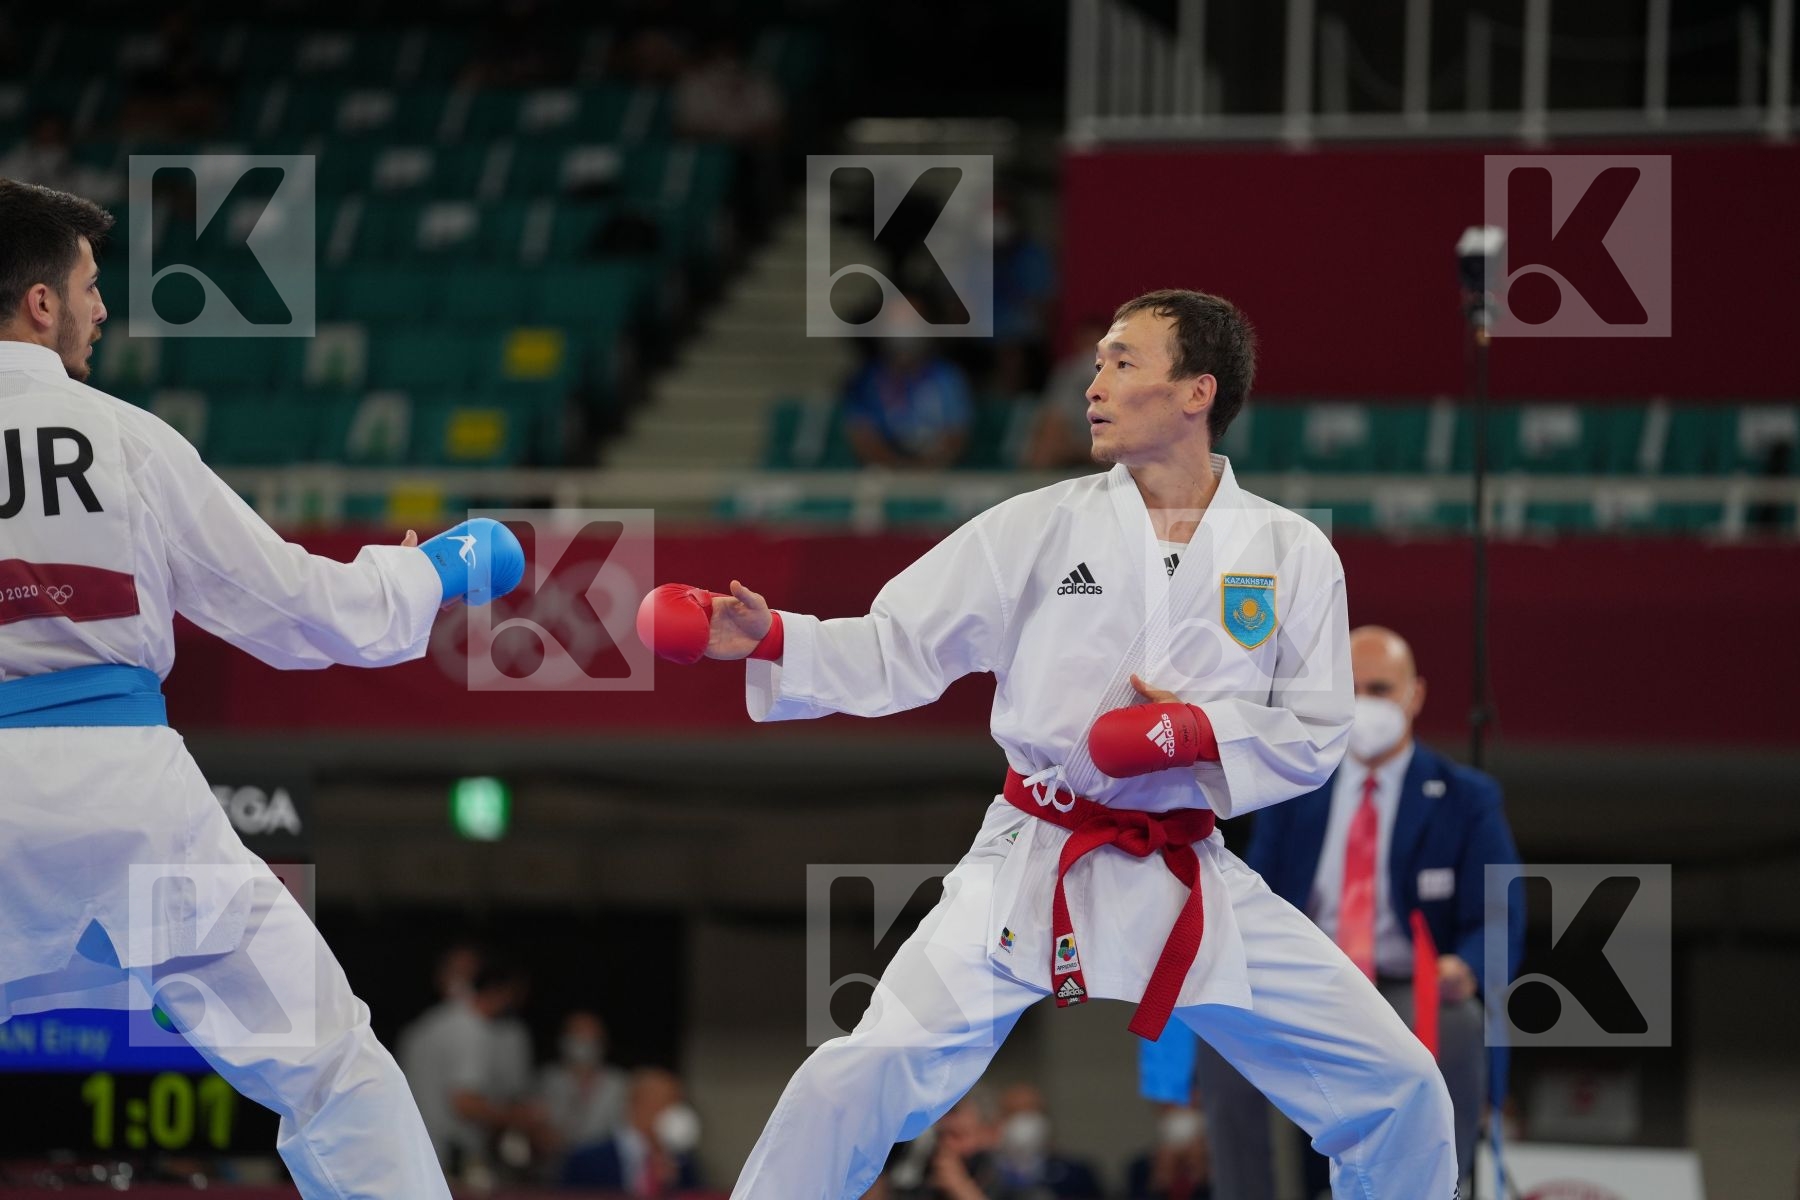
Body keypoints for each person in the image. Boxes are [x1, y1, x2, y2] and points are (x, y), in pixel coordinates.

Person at [641, 288, 1458, 1197]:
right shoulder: (1035, 527)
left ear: (1197, 391)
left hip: (1185, 863)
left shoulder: (1292, 550)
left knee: (1401, 1087)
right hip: (1034, 852)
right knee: (858, 1074)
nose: (1092, 384)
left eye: (1121, 361)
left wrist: (1192, 730)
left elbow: (1315, 732)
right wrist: (774, 638)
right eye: (1096, 361)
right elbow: (896, 643)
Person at [0, 179, 523, 1198]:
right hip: (129, 801)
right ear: (40, 303)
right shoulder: (128, 442)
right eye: (91, 287)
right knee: (329, 1066)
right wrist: (441, 570)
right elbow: (298, 615)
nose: (103, 310)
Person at [1139, 625, 1524, 1198]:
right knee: (1220, 1027)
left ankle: (1444, 1188)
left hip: (1406, 983)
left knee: (1459, 1022)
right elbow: (1254, 885)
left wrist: (1464, 967)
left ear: (1414, 695)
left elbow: (1499, 911)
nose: (1366, 702)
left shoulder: (1465, 798)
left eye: (1380, 688)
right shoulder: (1295, 784)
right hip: (1305, 974)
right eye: (1352, 688)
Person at [401, 960, 535, 1177]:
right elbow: (464, 1104)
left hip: (411, 1151)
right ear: (499, 991)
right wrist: (518, 1118)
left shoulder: (431, 1021)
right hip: (447, 1160)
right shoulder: (471, 1028)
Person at [841, 328, 975, 469]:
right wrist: (900, 469)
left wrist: (924, 469)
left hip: (937, 473)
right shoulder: (865, 380)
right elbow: (863, 437)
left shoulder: (947, 376)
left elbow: (956, 436)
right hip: (884, 474)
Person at [562, 1066, 705, 1193]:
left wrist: (670, 1184)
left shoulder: (683, 1166)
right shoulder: (586, 1161)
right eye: (668, 1102)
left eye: (678, 1103)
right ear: (637, 1103)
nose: (675, 1112)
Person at [536, 1010, 630, 1166]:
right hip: (553, 1167)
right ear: (564, 1039)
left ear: (602, 1042)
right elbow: (533, 1122)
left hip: (601, 1168)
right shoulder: (547, 1080)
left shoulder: (618, 1083)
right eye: (577, 1035)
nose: (583, 1042)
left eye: (590, 1037)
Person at [990, 1083, 1102, 1199]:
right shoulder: (986, 1173)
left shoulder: (1077, 1174)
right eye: (1015, 1112)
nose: (1025, 1120)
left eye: (1032, 1110)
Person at [1125, 1104, 1212, 1200]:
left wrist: (1203, 1178)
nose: (1182, 1110)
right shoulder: (1141, 1169)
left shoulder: (1220, 1166)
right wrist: (1160, 1184)